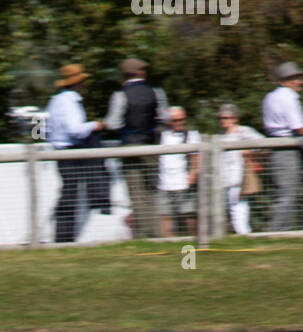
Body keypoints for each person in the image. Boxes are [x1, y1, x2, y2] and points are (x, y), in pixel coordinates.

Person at [105, 58, 168, 238]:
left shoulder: (120, 95)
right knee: (152, 192)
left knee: (136, 193)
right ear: (141, 72)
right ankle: (156, 233)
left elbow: (112, 124)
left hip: (130, 147)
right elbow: (165, 118)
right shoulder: (157, 92)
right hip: (153, 147)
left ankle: (143, 234)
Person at [44, 63, 106, 244]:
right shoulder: (71, 102)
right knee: (70, 194)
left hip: (59, 150)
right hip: (70, 151)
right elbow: (75, 130)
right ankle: (64, 237)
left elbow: (44, 129)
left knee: (68, 193)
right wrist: (95, 125)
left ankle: (63, 236)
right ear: (78, 83)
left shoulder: (54, 101)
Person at [262, 61, 303, 230]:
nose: (301, 82)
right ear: (287, 80)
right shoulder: (289, 97)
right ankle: (274, 232)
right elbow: (300, 127)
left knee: (284, 192)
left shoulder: (270, 96)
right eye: (297, 79)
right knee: (287, 194)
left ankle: (285, 231)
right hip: (287, 150)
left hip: (275, 149)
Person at [217, 104, 263, 235]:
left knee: (238, 207)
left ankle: (243, 233)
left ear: (235, 118)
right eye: (221, 118)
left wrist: (249, 151)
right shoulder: (220, 136)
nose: (223, 120)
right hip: (224, 178)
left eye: (227, 117)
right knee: (230, 207)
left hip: (239, 177)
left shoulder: (244, 131)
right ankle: (238, 233)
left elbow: (262, 143)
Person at [156, 106, 200, 238]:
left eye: (182, 119)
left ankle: (192, 242)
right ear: (169, 121)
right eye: (176, 120)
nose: (180, 123)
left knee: (189, 214)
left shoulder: (191, 135)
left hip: (183, 182)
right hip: (164, 182)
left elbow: (195, 158)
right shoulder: (161, 135)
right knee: (164, 215)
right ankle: (168, 243)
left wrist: (193, 174)